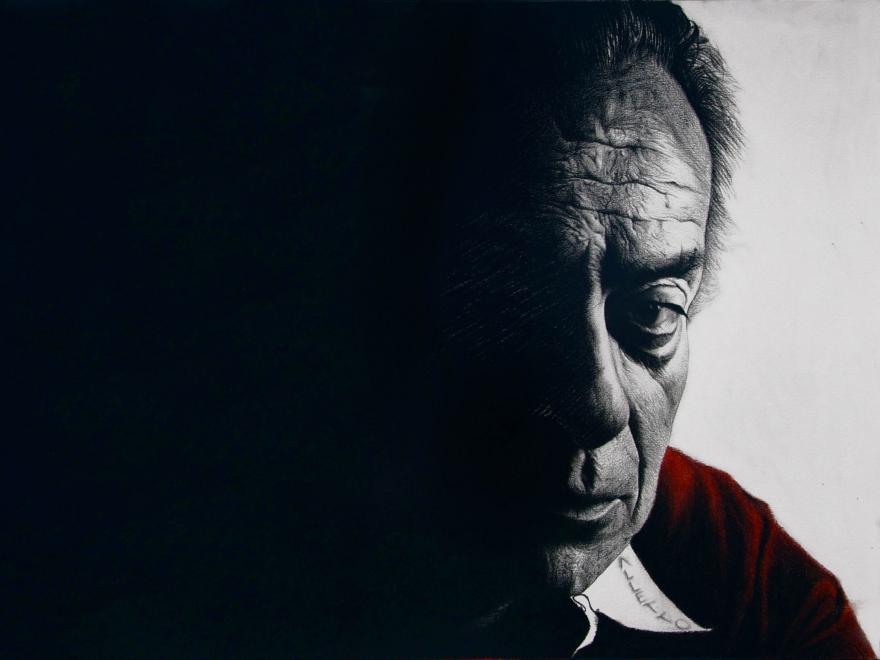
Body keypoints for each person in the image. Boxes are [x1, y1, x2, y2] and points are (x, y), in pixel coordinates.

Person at [342, 2, 875, 657]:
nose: (599, 405)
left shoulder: (726, 560)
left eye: (651, 312)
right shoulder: (252, 560)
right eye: (517, 300)